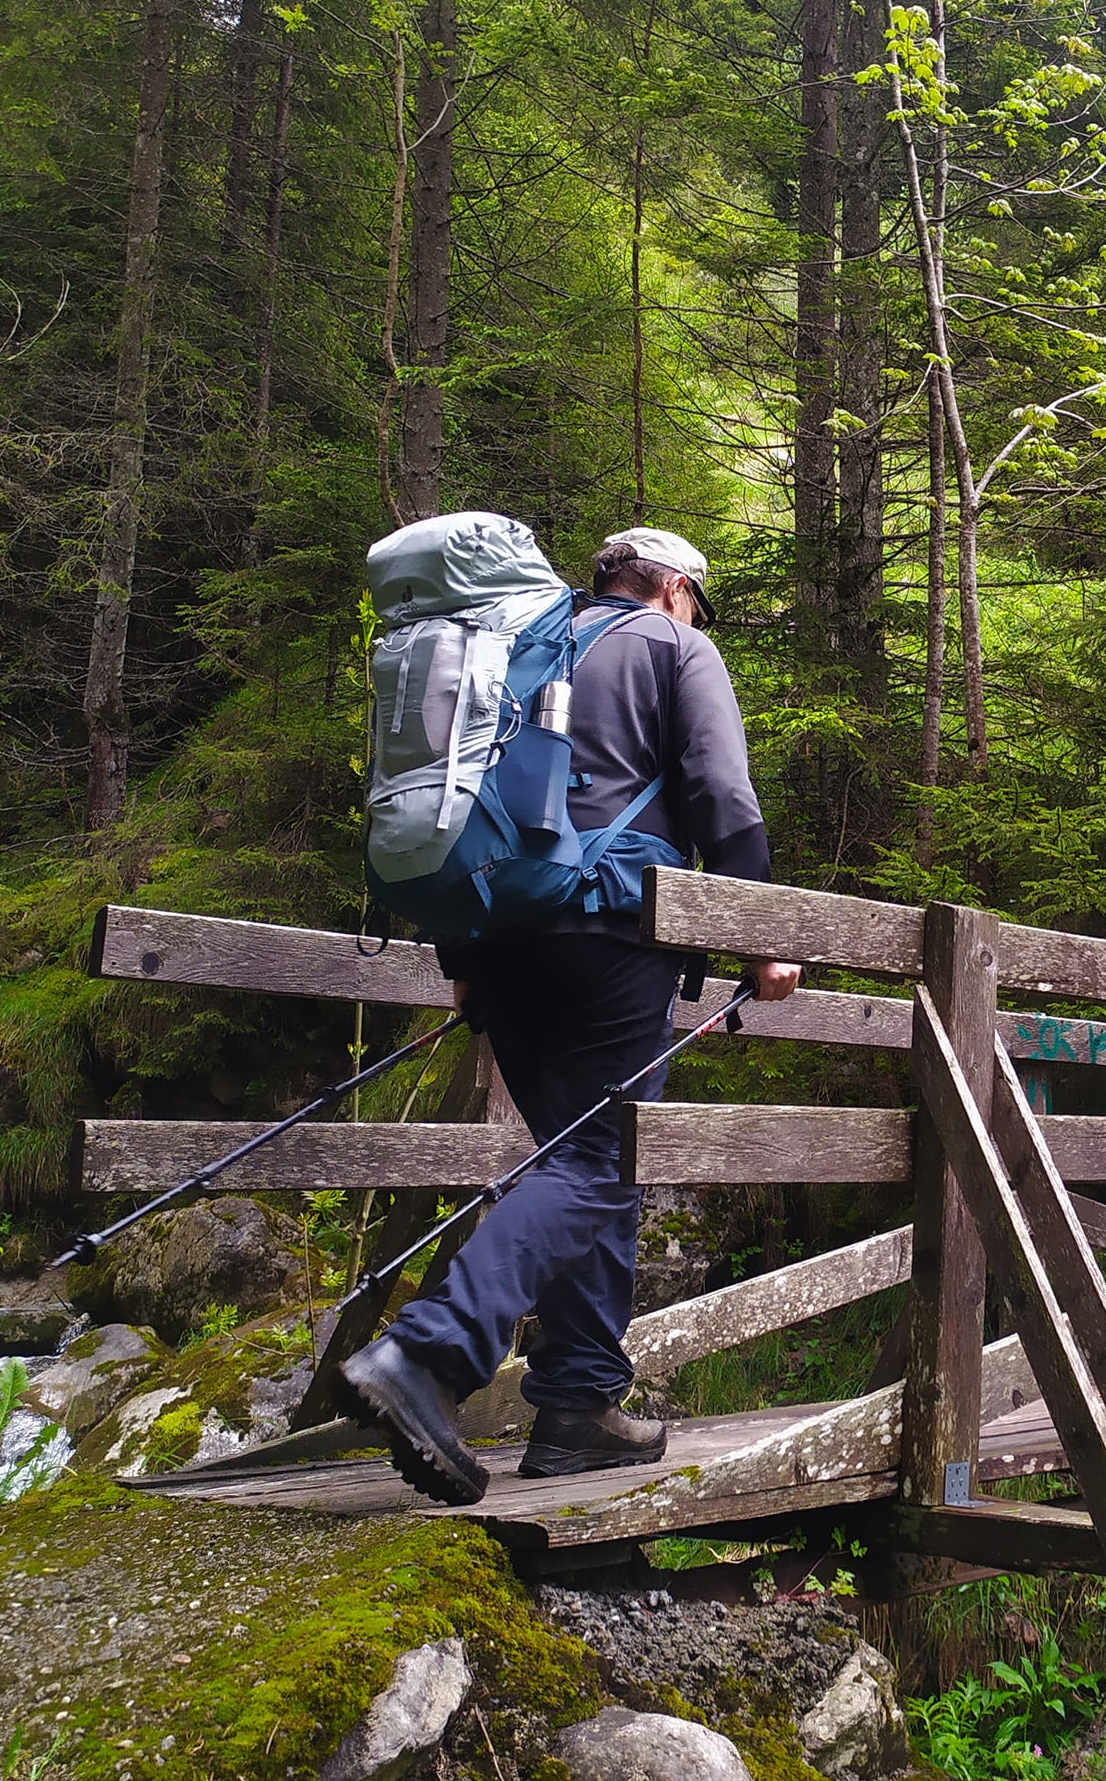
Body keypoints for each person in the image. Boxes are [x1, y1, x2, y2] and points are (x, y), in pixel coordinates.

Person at [344, 525, 801, 1506]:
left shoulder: (513, 644)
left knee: (583, 1168)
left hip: (499, 942)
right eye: (695, 601)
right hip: (611, 935)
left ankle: (579, 1408)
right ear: (676, 587)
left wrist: (461, 960)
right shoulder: (676, 647)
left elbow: (472, 803)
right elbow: (722, 792)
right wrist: (764, 929)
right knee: (600, 1164)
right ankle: (428, 1354)